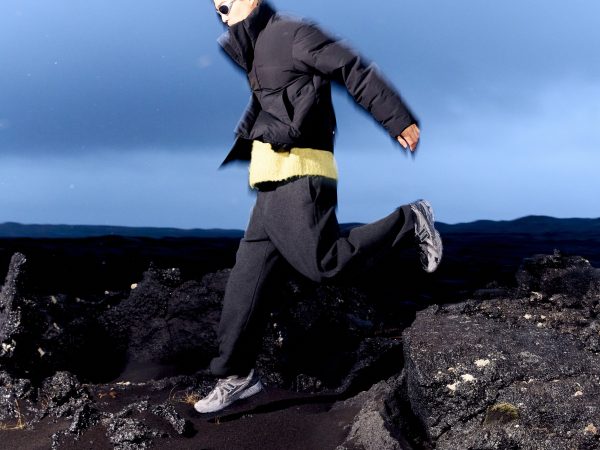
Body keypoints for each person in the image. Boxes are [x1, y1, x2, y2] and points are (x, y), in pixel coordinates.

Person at [194, 0, 442, 414]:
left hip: (302, 172)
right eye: (215, 9)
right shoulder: (255, 47)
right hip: (270, 180)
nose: (221, 15)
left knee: (324, 263)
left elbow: (352, 67)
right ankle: (236, 376)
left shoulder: (293, 32)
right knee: (244, 286)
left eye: (225, 5)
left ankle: (410, 220)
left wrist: (396, 118)